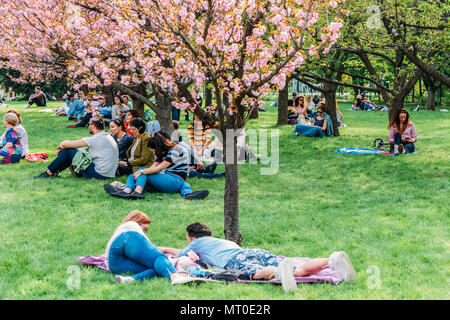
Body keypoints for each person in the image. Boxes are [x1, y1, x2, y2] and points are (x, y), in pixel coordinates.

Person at [158, 222, 357, 292]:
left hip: (235, 261)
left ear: (191, 237)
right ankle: (331, 260)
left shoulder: (196, 243)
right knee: (299, 269)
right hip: (252, 251)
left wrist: (161, 247)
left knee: (256, 274)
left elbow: (179, 254)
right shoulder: (221, 241)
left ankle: (278, 273)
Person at [104, 131, 209, 200]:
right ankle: (126, 191)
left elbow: (159, 168)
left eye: (153, 150)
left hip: (174, 180)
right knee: (134, 175)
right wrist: (139, 173)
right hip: (173, 181)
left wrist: (141, 171)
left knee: (141, 171)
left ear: (158, 147)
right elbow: (152, 168)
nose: (153, 153)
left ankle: (137, 192)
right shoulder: (162, 153)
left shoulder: (175, 150)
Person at [106, 210, 197, 285]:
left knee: (155, 270)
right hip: (124, 244)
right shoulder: (132, 225)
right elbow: (151, 252)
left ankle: (128, 280)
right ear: (137, 222)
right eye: (144, 229)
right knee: (157, 257)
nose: (144, 233)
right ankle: (175, 276)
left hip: (114, 264)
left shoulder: (120, 231)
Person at [34, 118, 119, 179]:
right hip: (109, 173)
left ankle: (49, 172)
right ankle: (54, 171)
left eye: (89, 124)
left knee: (68, 150)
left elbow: (66, 144)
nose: (88, 126)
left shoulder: (95, 139)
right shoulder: (106, 136)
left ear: (93, 126)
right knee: (72, 152)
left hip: (99, 174)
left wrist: (61, 147)